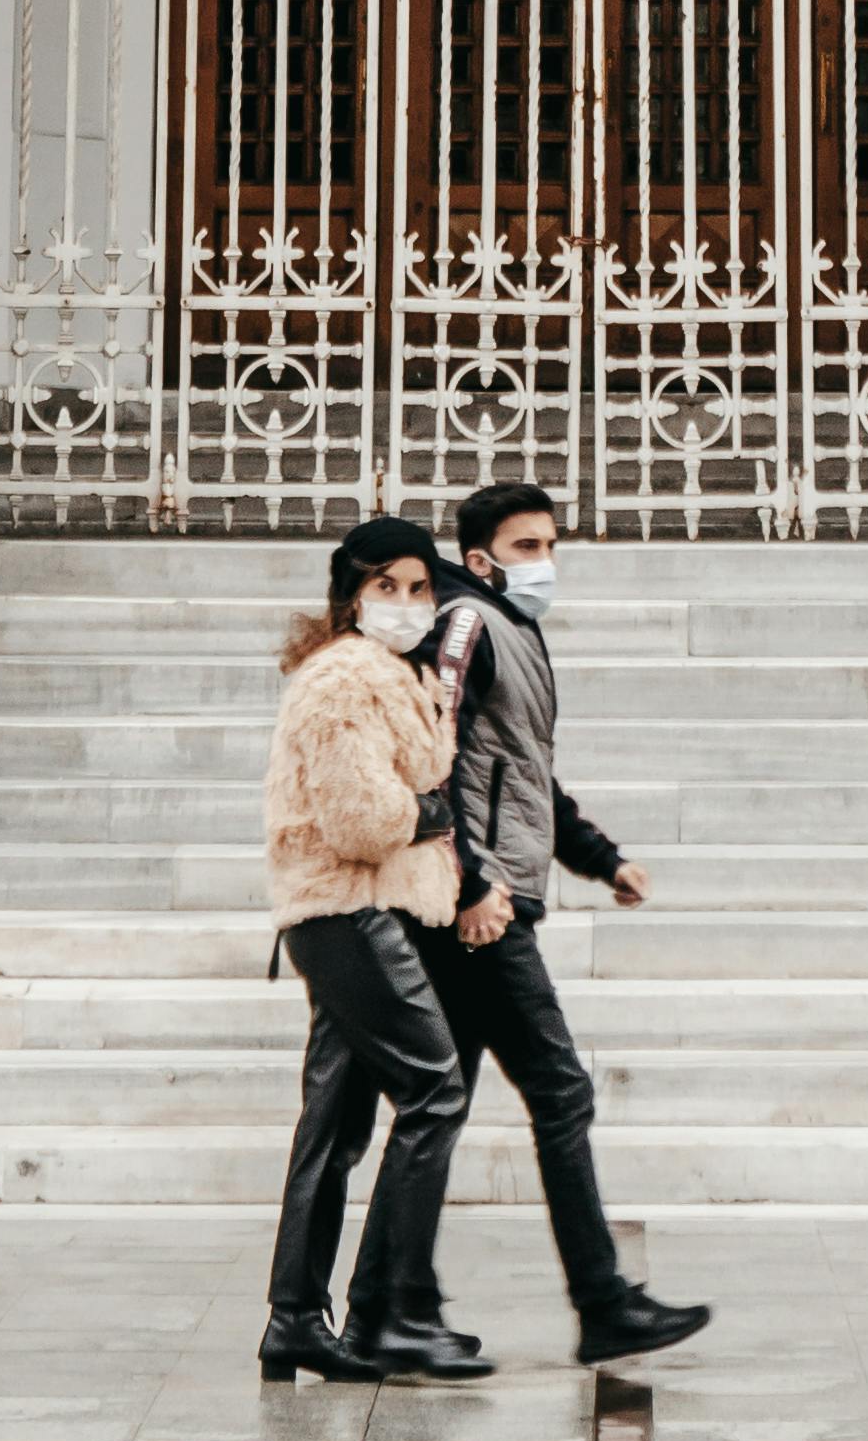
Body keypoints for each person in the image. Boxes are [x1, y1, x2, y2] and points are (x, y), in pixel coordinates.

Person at [425, 479, 713, 1370]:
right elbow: (430, 756)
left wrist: (596, 855)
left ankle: (392, 1303)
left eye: (551, 544)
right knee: (559, 1091)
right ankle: (603, 1304)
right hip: (483, 908)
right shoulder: (469, 624)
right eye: (526, 547)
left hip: (497, 895)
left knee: (441, 1109)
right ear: (480, 560)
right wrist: (474, 881)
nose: (544, 562)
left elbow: (526, 778)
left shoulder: (512, 628)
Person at [258, 513, 496, 1386]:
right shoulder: (346, 679)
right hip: (349, 906)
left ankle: (300, 1320)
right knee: (434, 1091)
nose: (404, 603)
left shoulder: (388, 673)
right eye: (384, 587)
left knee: (337, 1122)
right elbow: (365, 821)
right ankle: (386, 1314)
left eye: (419, 587)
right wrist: (431, 818)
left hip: (350, 909)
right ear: (351, 594)